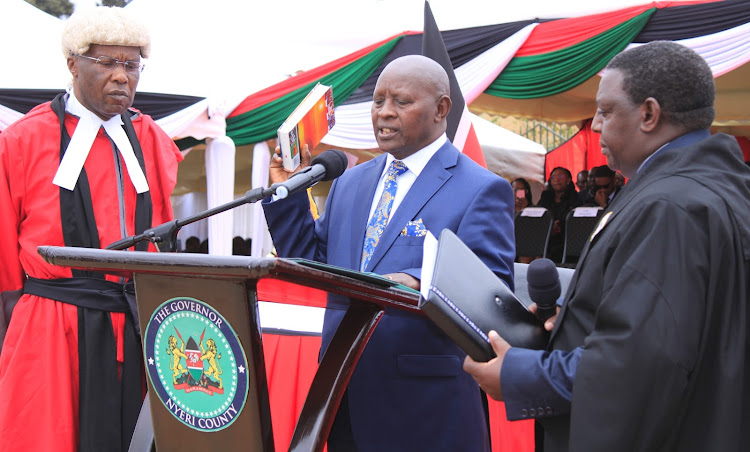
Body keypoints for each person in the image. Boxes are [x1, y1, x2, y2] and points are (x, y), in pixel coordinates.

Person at [463, 41, 750, 451]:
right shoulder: (712, 186)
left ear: (649, 114)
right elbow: (682, 321)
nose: (595, 125)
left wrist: (518, 375)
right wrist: (575, 318)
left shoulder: (669, 208)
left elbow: (637, 367)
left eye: (606, 110)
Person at [263, 55, 515, 451]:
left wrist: (418, 281)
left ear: (441, 109)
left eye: (401, 101)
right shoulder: (350, 182)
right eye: (378, 101)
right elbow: (313, 264)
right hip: (342, 393)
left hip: (425, 410)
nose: (384, 113)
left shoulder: (481, 189)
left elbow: (492, 293)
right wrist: (287, 194)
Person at [0, 7, 183, 452]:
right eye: (107, 63)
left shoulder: (152, 138)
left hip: (138, 322)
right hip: (52, 321)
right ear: (72, 64)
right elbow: (5, 251)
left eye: (132, 64)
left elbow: (164, 236)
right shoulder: (23, 139)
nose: (122, 76)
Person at [537, 167, 581, 262]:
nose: (556, 179)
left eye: (560, 176)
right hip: (545, 237)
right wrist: (548, 227)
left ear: (568, 180)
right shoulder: (545, 197)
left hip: (565, 239)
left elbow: (576, 222)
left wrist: (558, 226)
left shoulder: (576, 198)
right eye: (553, 177)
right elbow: (539, 216)